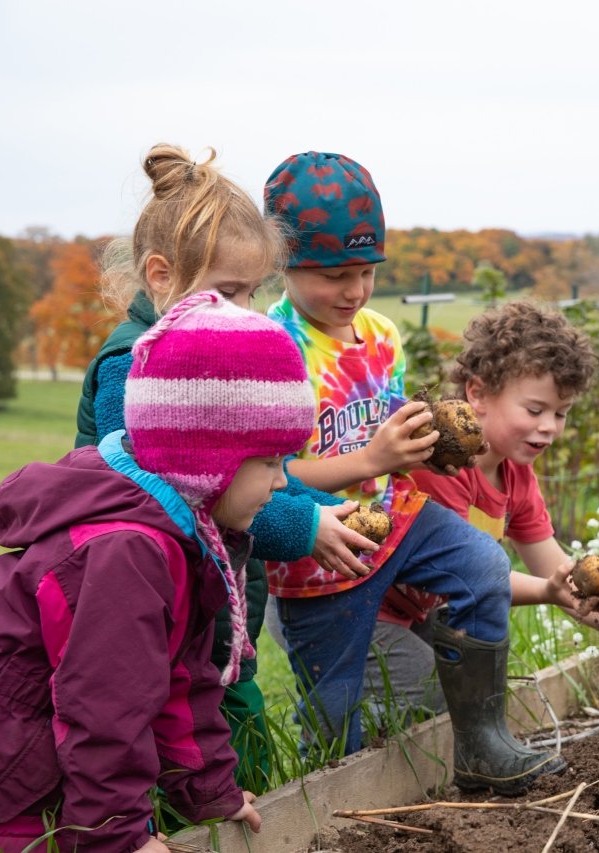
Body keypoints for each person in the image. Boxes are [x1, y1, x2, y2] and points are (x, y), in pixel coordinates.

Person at [72, 144, 379, 790]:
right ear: (160, 275)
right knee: (181, 762)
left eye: (251, 291)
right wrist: (304, 528)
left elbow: (253, 464)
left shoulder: (211, 350)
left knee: (239, 758)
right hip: (154, 615)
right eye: (228, 290)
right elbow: (177, 500)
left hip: (213, 609)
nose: (242, 308)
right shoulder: (136, 366)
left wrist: (317, 507)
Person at [262, 151, 567, 795]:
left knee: (482, 567)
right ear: (281, 264)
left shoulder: (380, 334)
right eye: (336, 274)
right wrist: (372, 459)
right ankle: (324, 807)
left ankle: (483, 742)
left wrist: (433, 438)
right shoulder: (273, 351)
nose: (355, 291)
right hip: (322, 550)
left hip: (399, 521)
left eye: (368, 272)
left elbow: (394, 425)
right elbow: (273, 477)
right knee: (339, 713)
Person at [0, 292, 314, 853]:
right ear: (208, 459)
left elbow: (181, 679)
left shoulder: (183, 532)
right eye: (271, 462)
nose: (280, 483)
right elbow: (104, 713)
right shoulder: (127, 553)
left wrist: (209, 791)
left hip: (37, 758)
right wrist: (116, 838)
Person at [369, 300, 599, 715]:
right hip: (369, 610)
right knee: (431, 699)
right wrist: (547, 592)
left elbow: (554, 569)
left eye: (561, 413)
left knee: (456, 698)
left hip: (417, 613)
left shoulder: (516, 476)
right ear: (478, 393)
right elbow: (465, 577)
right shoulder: (442, 466)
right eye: (535, 409)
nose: (549, 426)